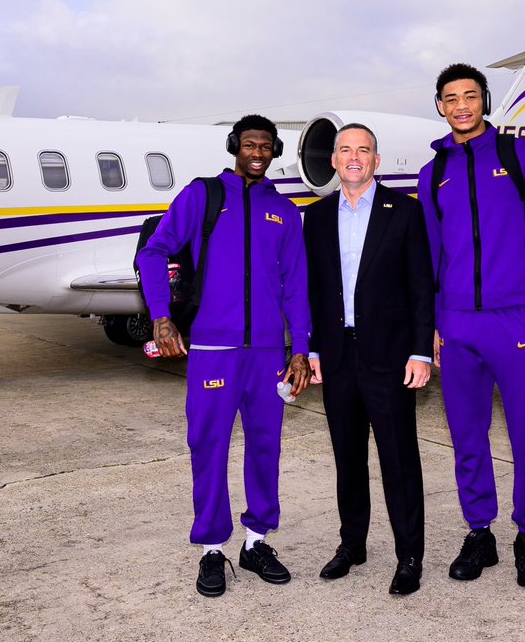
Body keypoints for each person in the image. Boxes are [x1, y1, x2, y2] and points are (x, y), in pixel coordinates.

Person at [136, 115, 311, 598]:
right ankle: (212, 549)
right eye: (249, 144)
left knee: (264, 447)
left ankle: (256, 542)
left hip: (269, 354)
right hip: (213, 349)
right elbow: (154, 253)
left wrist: (300, 349)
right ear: (236, 146)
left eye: (266, 146)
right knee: (208, 446)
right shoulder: (204, 196)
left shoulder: (285, 211)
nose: (257, 152)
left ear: (276, 153)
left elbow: (296, 286)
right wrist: (161, 314)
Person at [416, 63, 525, 590]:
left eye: (470, 96)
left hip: (521, 318)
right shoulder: (433, 172)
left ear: (484, 101)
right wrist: (434, 324)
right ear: (439, 105)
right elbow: (433, 255)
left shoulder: (520, 156)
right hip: (458, 325)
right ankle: (479, 532)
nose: (461, 106)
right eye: (451, 98)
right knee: (466, 436)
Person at [303, 123, 434, 596]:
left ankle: (409, 555)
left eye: (364, 150)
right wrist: (312, 348)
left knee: (399, 459)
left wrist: (421, 351)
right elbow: (314, 291)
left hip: (391, 357)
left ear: (377, 161)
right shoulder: (314, 217)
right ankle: (351, 545)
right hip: (337, 356)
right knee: (348, 458)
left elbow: (422, 287)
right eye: (345, 150)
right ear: (333, 162)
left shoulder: (405, 212)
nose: (354, 157)